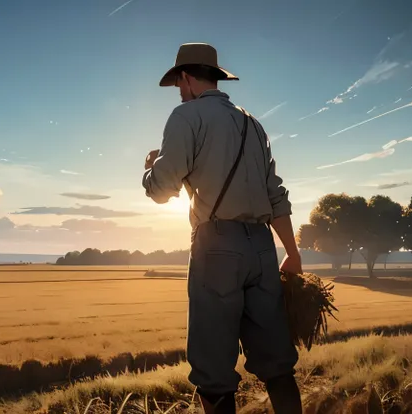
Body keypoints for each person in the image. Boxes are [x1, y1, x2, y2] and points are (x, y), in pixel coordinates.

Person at [142, 43, 303, 414]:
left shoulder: (186, 117)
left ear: (186, 77)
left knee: (213, 370)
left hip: (216, 247)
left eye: (179, 85)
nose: (180, 93)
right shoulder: (253, 123)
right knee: (277, 363)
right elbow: (275, 194)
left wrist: (149, 169)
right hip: (263, 247)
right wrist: (292, 254)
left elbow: (163, 190)